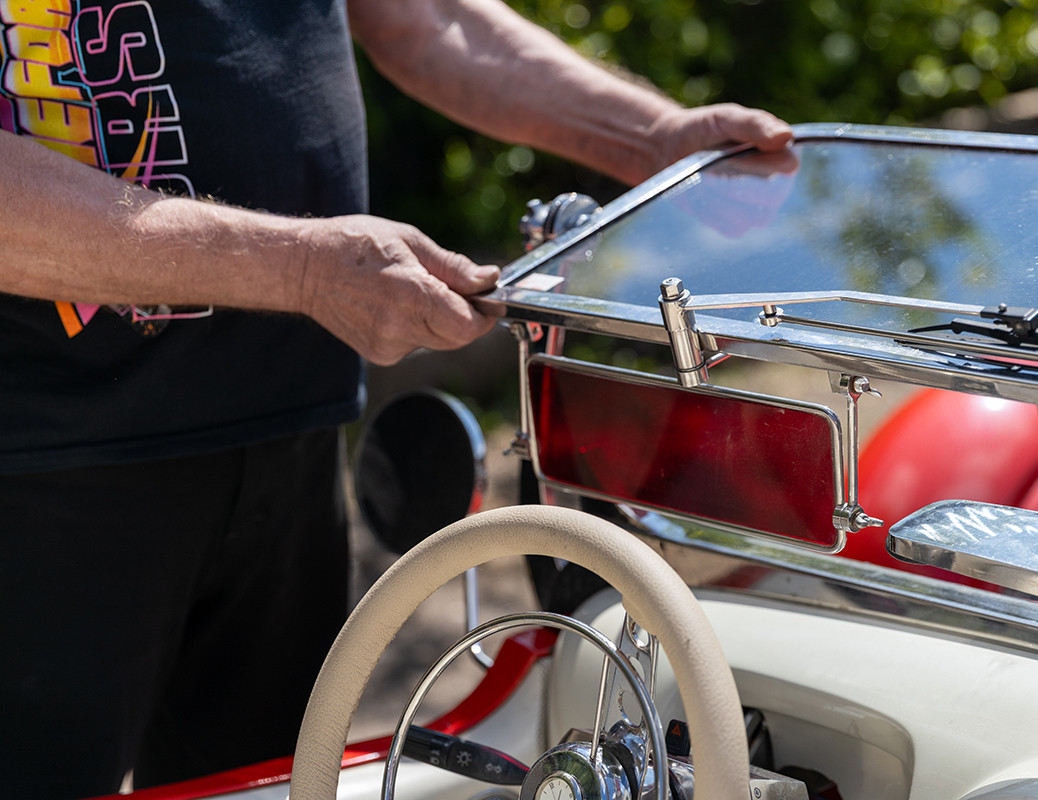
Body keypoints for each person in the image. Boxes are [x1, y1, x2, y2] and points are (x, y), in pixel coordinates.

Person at [0, 1, 793, 797]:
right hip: (47, 462)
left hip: (292, 427)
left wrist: (654, 139)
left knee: (270, 782)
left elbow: (428, 16)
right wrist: (304, 269)